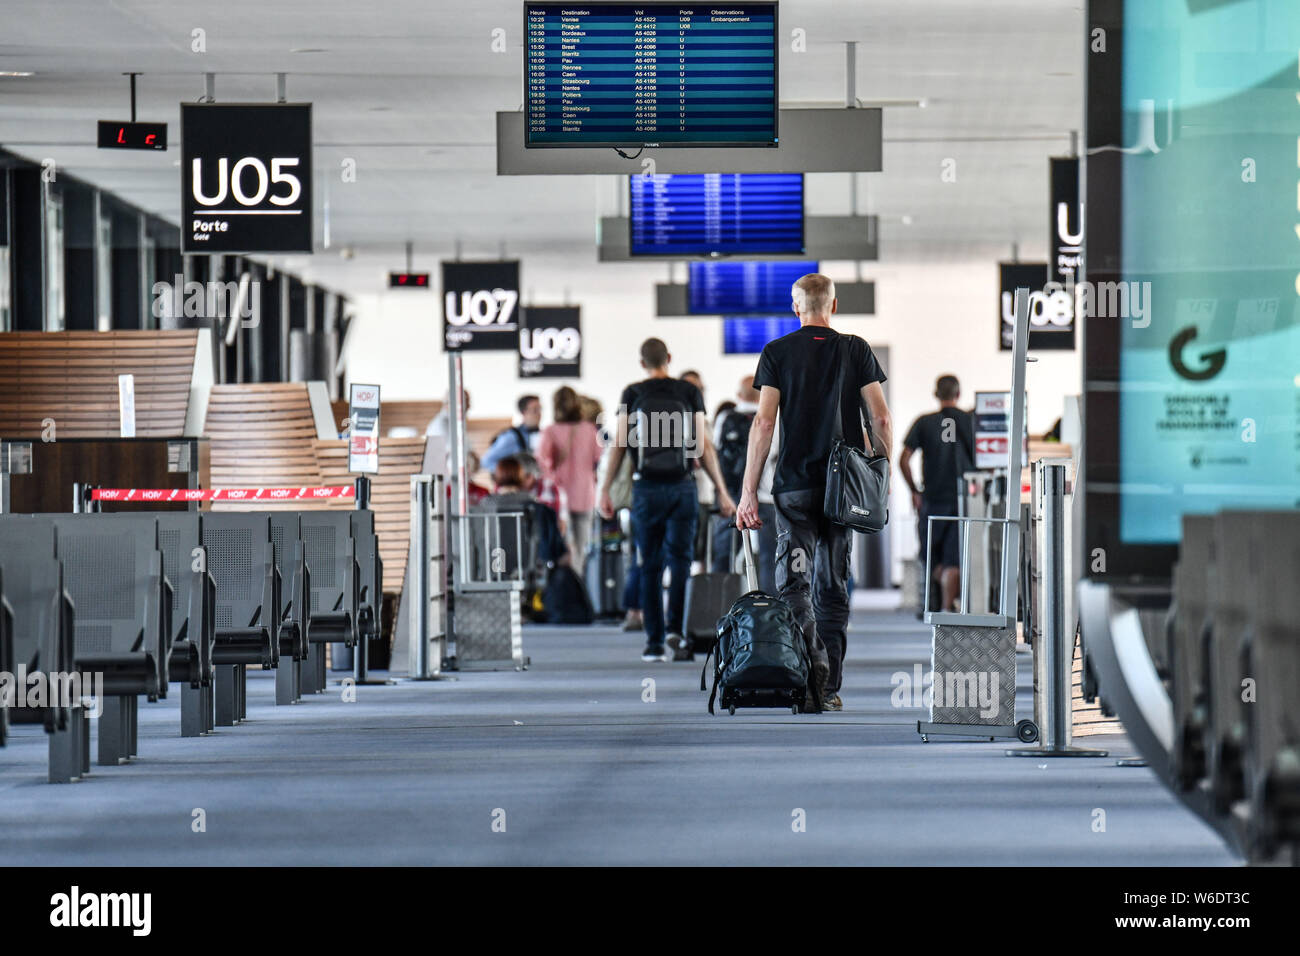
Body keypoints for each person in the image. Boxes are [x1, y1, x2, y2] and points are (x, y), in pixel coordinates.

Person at [737, 273, 892, 713]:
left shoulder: (776, 353)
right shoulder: (856, 349)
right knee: (833, 585)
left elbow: (764, 424)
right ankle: (830, 687)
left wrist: (749, 491)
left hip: (794, 491)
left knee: (794, 582)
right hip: (845, 492)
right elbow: (880, 419)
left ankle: (809, 669)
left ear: (796, 307)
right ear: (834, 306)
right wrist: (880, 479)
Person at [599, 337, 735, 662]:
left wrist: (604, 489)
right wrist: (723, 492)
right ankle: (677, 631)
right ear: (669, 358)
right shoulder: (689, 392)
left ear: (641, 363)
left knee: (649, 566)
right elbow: (704, 446)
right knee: (681, 562)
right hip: (683, 487)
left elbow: (619, 445)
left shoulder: (632, 394)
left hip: (645, 488)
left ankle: (654, 643)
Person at [899, 375, 974, 613]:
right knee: (954, 559)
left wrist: (914, 490)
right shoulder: (970, 421)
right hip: (962, 500)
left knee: (931, 556)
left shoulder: (924, 422)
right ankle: (946, 609)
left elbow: (904, 459)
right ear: (958, 394)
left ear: (936, 394)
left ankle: (935, 604)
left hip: (931, 500)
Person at [713, 375, 778, 594]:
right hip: (767, 496)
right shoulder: (772, 419)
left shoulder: (725, 418)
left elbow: (715, 454)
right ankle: (770, 610)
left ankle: (720, 608)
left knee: (724, 555)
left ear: (739, 395)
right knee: (771, 556)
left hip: (730, 497)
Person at [539, 385, 604, 562]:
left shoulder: (550, 431)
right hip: (585, 494)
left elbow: (541, 461)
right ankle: (576, 580)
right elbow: (599, 457)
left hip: (560, 495)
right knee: (581, 548)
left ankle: (563, 582)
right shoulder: (589, 429)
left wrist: (553, 477)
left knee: (563, 545)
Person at [481, 394, 542, 472]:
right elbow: (486, 462)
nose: (539, 414)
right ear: (524, 412)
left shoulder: (543, 435)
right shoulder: (511, 437)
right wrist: (512, 473)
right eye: (535, 410)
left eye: (540, 409)